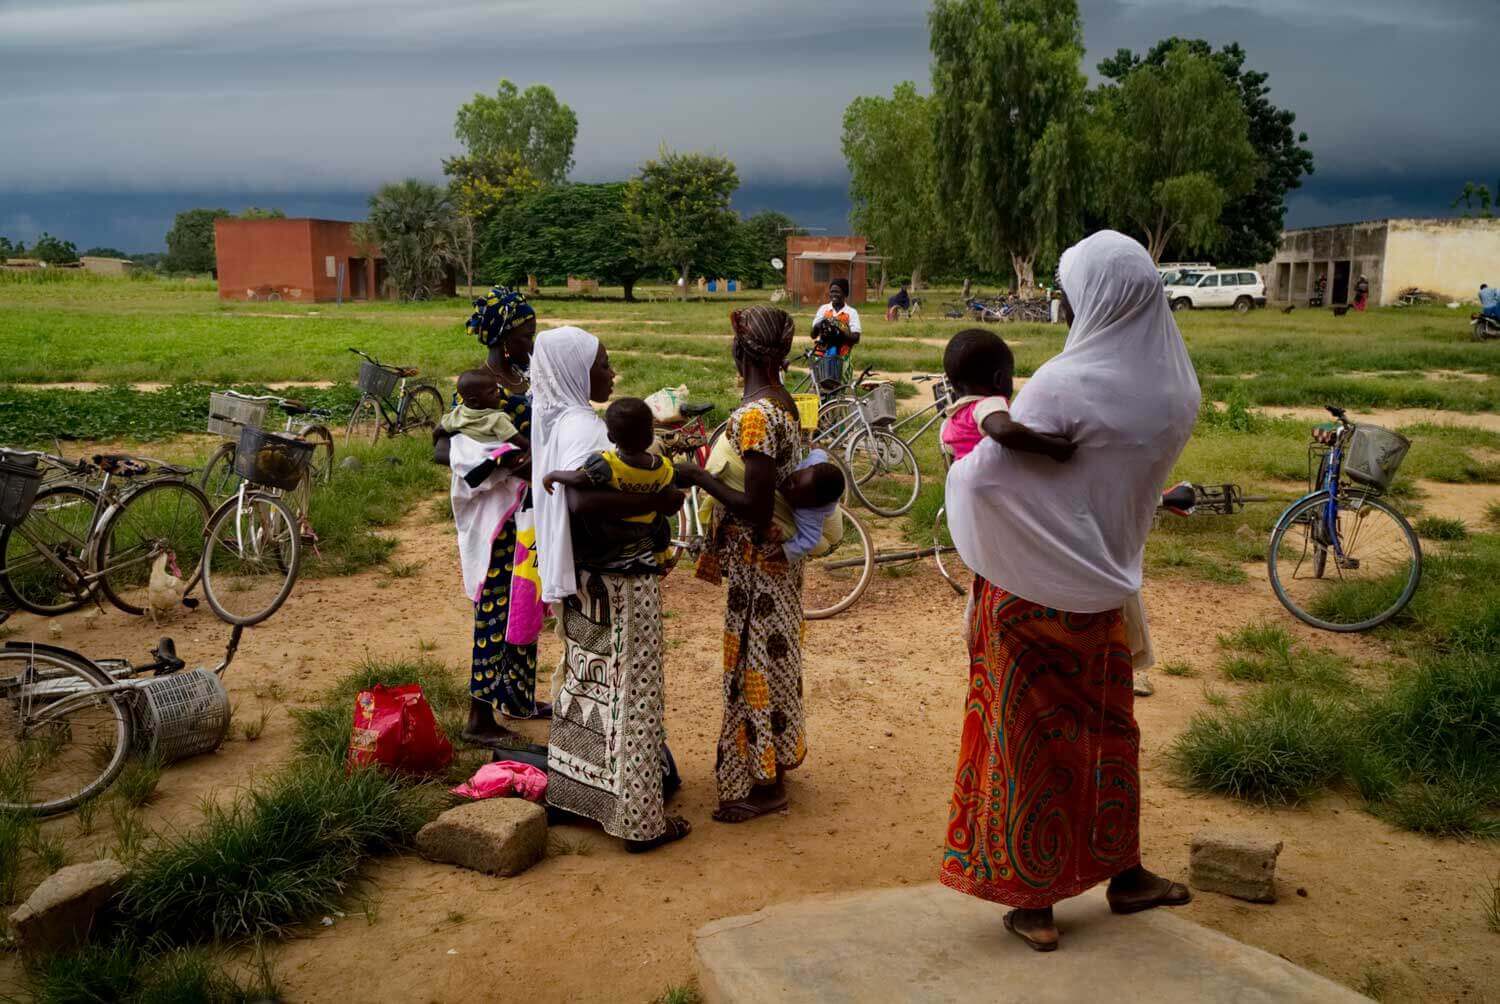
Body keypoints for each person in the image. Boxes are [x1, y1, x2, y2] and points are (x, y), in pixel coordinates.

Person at [939, 230, 1200, 952]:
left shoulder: (1064, 383)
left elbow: (988, 474)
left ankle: (1034, 902)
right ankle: (1127, 874)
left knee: (1025, 740)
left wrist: (957, 468)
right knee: (1109, 732)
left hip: (1026, 593)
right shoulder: (1178, 387)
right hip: (1106, 589)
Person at [531, 328, 692, 853]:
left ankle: (580, 797)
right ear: (577, 371)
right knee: (634, 696)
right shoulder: (583, 429)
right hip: (618, 583)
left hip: (587, 580)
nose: (611, 371)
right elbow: (582, 506)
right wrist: (657, 508)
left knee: (589, 687)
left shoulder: (562, 420)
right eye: (602, 363)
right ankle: (642, 822)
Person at [675, 306, 809, 824]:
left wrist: (697, 475)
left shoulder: (756, 414)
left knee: (754, 662)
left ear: (741, 351)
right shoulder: (781, 402)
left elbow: (753, 506)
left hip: (759, 560)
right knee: (773, 659)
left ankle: (766, 785)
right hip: (777, 560)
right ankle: (772, 760)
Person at [444, 288, 546, 743]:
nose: (534, 338)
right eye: (527, 332)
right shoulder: (478, 387)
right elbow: (442, 446)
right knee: (495, 606)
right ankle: (478, 717)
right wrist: (501, 463)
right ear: (505, 335)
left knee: (526, 597)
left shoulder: (527, 375)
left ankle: (518, 696)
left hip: (531, 505)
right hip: (499, 513)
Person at [542, 397, 675, 574]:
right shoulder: (662, 467)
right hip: (647, 529)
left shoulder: (608, 465)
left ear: (610, 436)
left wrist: (554, 474)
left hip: (612, 531)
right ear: (652, 434)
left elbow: (580, 479)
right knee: (660, 522)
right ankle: (659, 556)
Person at [939, 328, 1074, 464]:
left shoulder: (955, 417)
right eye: (1010, 376)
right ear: (998, 380)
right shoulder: (987, 404)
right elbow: (1004, 430)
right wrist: (1053, 447)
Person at [778, 450, 845, 561]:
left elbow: (808, 541)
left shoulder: (810, 514)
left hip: (827, 542)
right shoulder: (813, 464)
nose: (789, 487)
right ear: (809, 467)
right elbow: (819, 453)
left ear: (811, 504)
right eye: (793, 479)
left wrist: (785, 552)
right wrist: (815, 447)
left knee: (789, 532)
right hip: (829, 514)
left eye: (797, 493)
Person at [812, 278, 861, 358]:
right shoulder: (824, 309)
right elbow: (813, 335)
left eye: (837, 292)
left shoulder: (851, 312)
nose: (833, 294)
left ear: (845, 294)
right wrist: (819, 324)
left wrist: (840, 333)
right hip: (821, 355)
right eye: (832, 292)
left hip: (842, 356)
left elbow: (856, 338)